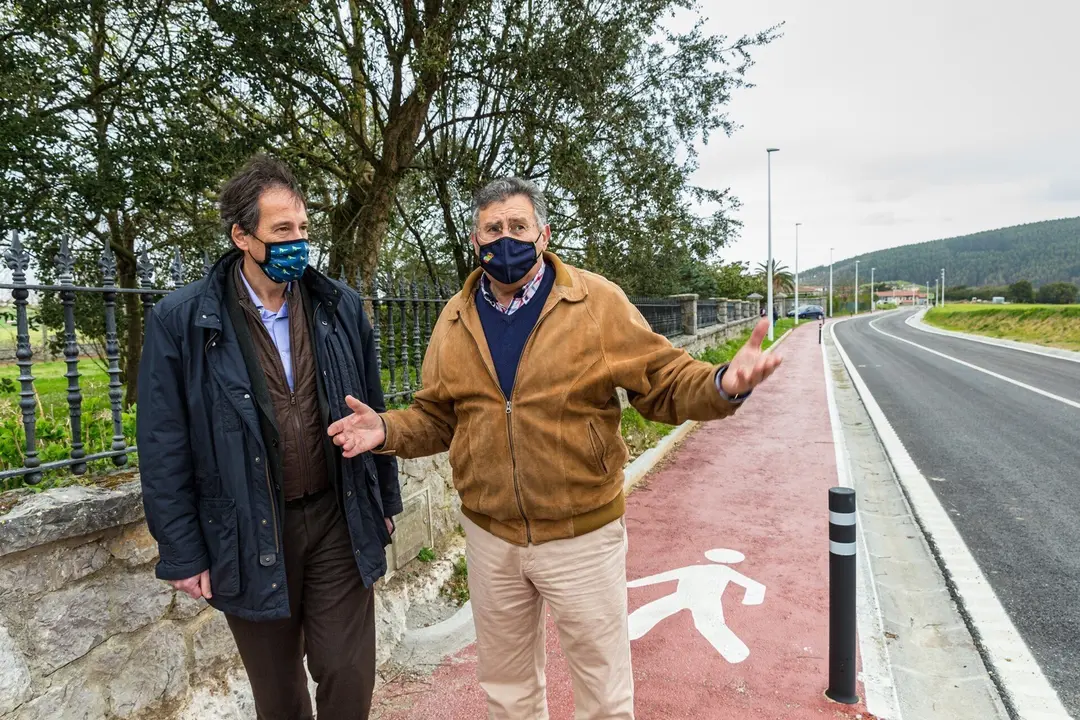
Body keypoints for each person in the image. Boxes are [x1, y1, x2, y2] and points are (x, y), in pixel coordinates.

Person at [327, 177, 781, 720]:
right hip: (491, 537)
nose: (506, 238)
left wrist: (724, 382)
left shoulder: (595, 302)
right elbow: (437, 417)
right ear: (475, 240)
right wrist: (386, 428)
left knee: (603, 695)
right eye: (493, 228)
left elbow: (662, 380)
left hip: (581, 535)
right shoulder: (454, 318)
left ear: (544, 234)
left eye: (518, 226)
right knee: (508, 692)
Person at [137, 154, 400, 720]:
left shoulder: (339, 307)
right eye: (282, 230)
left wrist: (386, 501)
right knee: (278, 694)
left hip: (338, 513)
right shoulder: (182, 321)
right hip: (249, 529)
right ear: (242, 235)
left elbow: (372, 413)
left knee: (347, 671)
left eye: (303, 229)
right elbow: (163, 444)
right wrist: (182, 550)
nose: (297, 242)